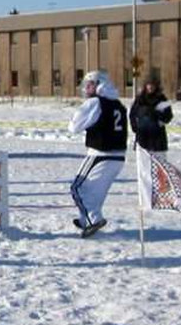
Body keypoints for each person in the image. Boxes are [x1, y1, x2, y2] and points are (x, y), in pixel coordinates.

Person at [68, 70, 128, 239]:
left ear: (100, 84)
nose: (87, 88)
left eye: (91, 84)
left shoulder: (95, 103)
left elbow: (74, 127)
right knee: (96, 192)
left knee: (77, 188)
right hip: (119, 156)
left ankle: (93, 219)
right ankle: (85, 219)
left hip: (100, 153)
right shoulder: (118, 104)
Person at [129, 77, 173, 154]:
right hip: (142, 137)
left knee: (158, 163)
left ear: (156, 86)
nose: (150, 87)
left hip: (157, 139)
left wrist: (156, 114)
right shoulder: (140, 99)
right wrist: (135, 127)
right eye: (149, 85)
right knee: (143, 163)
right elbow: (132, 114)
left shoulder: (161, 99)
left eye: (153, 85)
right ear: (145, 86)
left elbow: (168, 116)